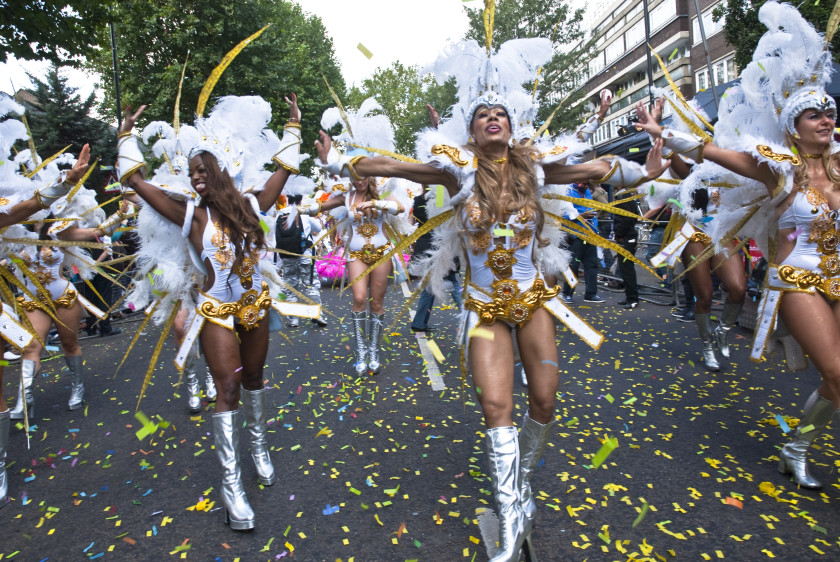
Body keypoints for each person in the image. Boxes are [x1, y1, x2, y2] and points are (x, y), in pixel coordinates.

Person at [314, 57, 666, 559]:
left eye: (500, 112)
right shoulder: (455, 172)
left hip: (534, 302)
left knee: (543, 400)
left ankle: (521, 481)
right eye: (483, 115)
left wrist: (648, 162)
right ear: (472, 132)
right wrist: (336, 161)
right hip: (483, 309)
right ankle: (511, 511)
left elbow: (598, 168)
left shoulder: (536, 169)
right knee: (496, 408)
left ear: (511, 125)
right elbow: (390, 166)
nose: (493, 118)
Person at [636, 1, 840, 489]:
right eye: (814, 114)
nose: (826, 120)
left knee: (835, 383)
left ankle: (797, 446)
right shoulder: (778, 169)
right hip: (797, 280)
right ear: (794, 125)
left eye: (829, 112)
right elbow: (713, 152)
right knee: (836, 373)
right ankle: (715, 339)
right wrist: (663, 134)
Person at [117, 94, 301, 530]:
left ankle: (257, 448)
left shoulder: (253, 205)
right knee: (229, 388)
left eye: (203, 170)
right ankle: (232, 487)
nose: (195, 177)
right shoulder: (191, 215)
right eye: (191, 172)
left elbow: (283, 171)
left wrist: (293, 126)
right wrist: (125, 135)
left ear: (220, 170)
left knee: (255, 379)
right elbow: (137, 182)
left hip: (255, 306)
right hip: (216, 309)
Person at [636, 99, 746, 372]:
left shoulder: (721, 154)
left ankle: (722, 330)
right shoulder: (680, 159)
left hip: (722, 229)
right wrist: (657, 131)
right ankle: (707, 345)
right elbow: (678, 168)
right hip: (693, 232)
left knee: (738, 288)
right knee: (705, 295)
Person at [305, 175, 405, 374]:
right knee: (359, 298)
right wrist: (299, 210)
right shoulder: (347, 196)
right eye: (355, 178)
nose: (360, 182)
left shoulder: (383, 192)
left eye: (364, 178)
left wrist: (375, 203)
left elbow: (400, 208)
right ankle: (361, 352)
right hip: (356, 255)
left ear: (370, 176)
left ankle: (374, 352)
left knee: (376, 303)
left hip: (381, 252)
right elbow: (320, 206)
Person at [410, 189, 462, 332]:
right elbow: (443, 218)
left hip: (426, 245)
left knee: (430, 284)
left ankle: (419, 322)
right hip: (439, 245)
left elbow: (415, 220)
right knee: (451, 280)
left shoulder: (418, 199)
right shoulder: (439, 194)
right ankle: (469, 317)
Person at [561, 182, 604, 304]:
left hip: (590, 234)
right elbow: (562, 213)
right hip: (575, 235)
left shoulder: (586, 192)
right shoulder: (567, 191)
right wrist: (580, 216)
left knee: (591, 265)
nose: (586, 186)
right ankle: (567, 293)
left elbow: (591, 210)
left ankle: (591, 294)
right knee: (573, 265)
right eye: (583, 183)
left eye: (587, 183)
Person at [612, 185, 641, 309]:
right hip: (627, 236)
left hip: (626, 238)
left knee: (627, 269)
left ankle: (632, 298)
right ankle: (630, 296)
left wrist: (619, 234)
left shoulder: (624, 197)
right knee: (625, 269)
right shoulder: (627, 196)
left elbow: (625, 219)